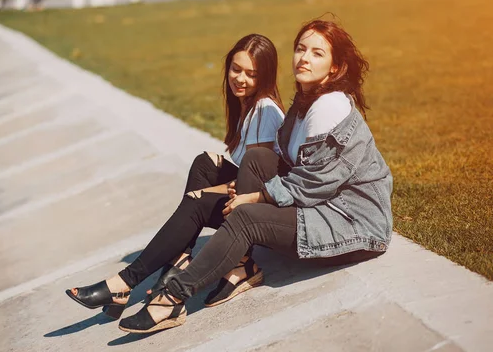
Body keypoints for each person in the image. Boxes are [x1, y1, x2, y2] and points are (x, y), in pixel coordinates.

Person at [109, 18, 394, 334]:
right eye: (301, 49)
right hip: (323, 205)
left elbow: (313, 185)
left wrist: (253, 196)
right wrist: (239, 188)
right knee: (256, 159)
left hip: (352, 224)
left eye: (317, 53)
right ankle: (184, 270)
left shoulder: (329, 107)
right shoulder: (305, 101)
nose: (304, 58)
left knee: (246, 218)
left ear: (334, 67)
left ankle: (172, 298)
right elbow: (287, 163)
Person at [65, 34, 286, 323]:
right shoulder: (246, 106)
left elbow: (257, 180)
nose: (240, 78)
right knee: (205, 163)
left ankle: (124, 283)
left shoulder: (265, 111)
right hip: (249, 198)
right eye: (236, 69)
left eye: (251, 74)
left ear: (265, 76)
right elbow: (243, 175)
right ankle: (179, 258)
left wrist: (202, 196)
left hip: (264, 211)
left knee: (195, 203)